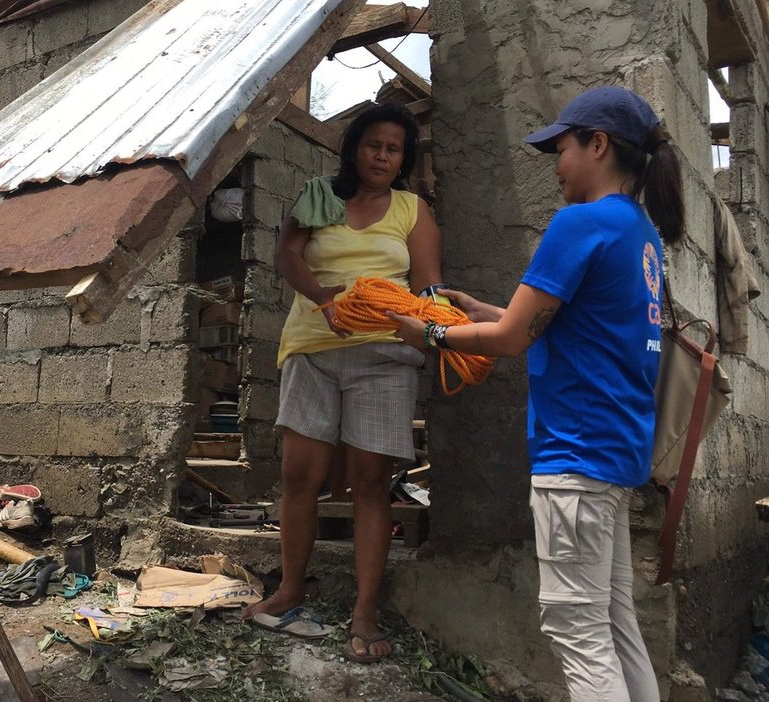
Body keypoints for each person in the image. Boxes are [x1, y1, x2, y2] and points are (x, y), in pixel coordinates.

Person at [389, 86, 684, 702]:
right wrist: (484, 310)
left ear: (597, 144)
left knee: (576, 630)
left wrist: (433, 331)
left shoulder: (581, 222)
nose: (555, 165)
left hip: (575, 455)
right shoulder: (640, 234)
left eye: (562, 148)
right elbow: (573, 324)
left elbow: (510, 340)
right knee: (613, 622)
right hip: (614, 451)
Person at [241, 103, 443, 663]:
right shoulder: (320, 194)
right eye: (374, 144)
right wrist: (326, 300)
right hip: (312, 347)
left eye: (394, 148)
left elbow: (428, 286)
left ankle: (365, 610)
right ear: (354, 146)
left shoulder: (411, 209)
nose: (382, 156)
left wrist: (433, 330)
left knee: (371, 481)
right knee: (299, 475)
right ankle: (290, 588)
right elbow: (287, 255)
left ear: (404, 158)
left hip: (383, 355)